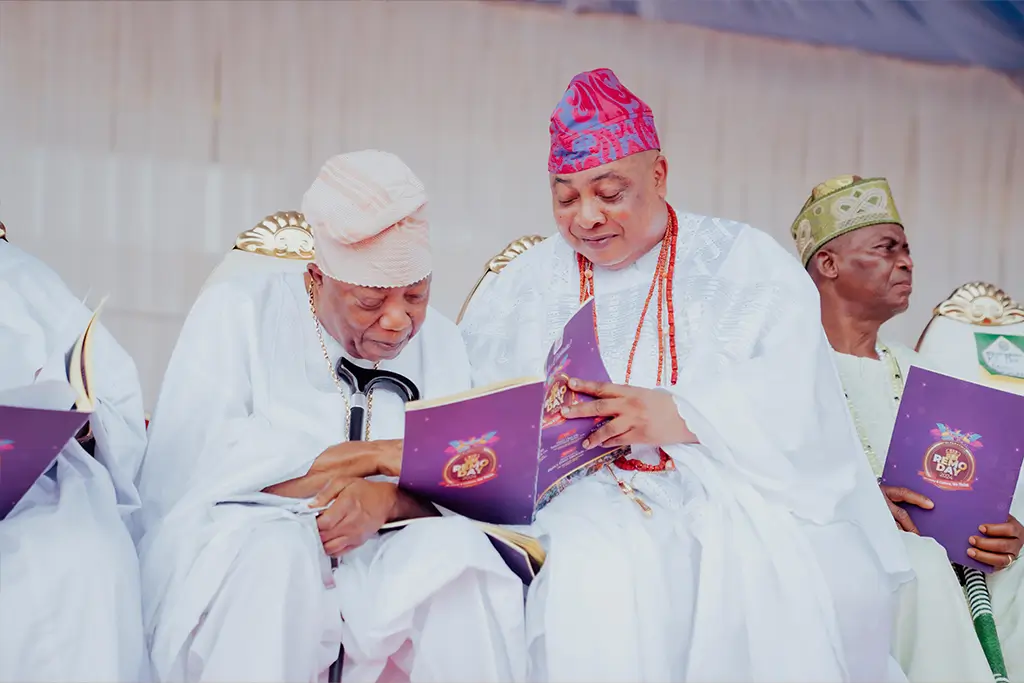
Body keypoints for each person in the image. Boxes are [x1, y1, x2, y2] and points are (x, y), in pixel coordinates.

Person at [459, 67, 912, 682]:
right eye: (566, 198)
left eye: (609, 193)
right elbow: (475, 403)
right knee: (595, 573)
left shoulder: (744, 261)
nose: (586, 217)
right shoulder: (523, 283)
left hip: (727, 487)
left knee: (825, 577)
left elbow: (800, 401)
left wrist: (679, 414)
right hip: (571, 499)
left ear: (659, 175)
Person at [135, 150, 526, 683]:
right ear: (317, 277)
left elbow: (469, 485)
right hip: (253, 547)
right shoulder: (240, 310)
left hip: (389, 549)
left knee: (458, 559)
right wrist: (376, 457)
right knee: (277, 556)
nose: (398, 321)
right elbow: (198, 471)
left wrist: (386, 501)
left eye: (415, 295)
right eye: (370, 302)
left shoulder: (440, 340)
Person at [792, 174, 1024, 683]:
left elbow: (986, 482)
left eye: (908, 250)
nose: (906, 262)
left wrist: (1006, 531)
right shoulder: (787, 363)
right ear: (828, 263)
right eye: (887, 248)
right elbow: (760, 469)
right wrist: (859, 501)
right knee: (917, 563)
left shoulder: (924, 371)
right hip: (834, 542)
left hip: (948, 551)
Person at [0, 237, 148, 682]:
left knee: (83, 559)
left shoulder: (19, 276)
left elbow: (114, 401)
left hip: (32, 497)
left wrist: (81, 425)